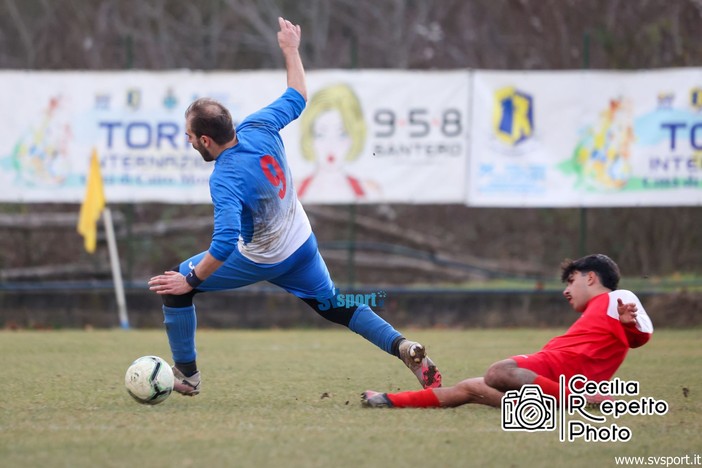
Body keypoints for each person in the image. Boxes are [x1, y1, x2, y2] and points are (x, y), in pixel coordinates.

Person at [147, 17, 441, 396]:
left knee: (176, 290)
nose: (187, 141)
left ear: (205, 139)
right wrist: (290, 49)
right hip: (301, 245)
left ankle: (187, 376)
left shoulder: (224, 177)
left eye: (189, 136)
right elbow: (299, 96)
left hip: (261, 257)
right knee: (336, 306)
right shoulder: (258, 127)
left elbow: (222, 246)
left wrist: (189, 280)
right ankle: (403, 347)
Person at [362, 254, 653, 409]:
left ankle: (580, 401)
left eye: (571, 280)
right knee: (468, 388)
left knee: (499, 371)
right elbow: (632, 339)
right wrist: (628, 328)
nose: (566, 290)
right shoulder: (606, 311)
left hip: (558, 376)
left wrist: (630, 324)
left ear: (591, 278)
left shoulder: (615, 298)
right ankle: (387, 400)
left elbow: (642, 332)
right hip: (552, 385)